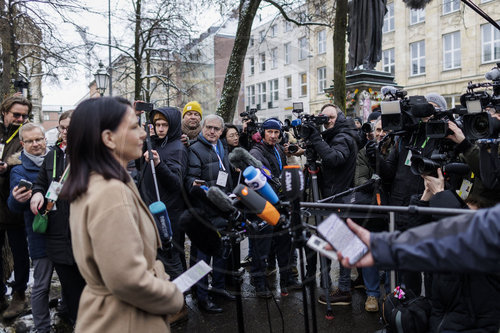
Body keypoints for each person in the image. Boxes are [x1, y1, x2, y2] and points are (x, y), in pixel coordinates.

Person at [59, 97, 184, 332]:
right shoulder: (110, 191)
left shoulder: (102, 180)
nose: (144, 134)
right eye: (134, 126)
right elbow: (127, 279)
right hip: (124, 320)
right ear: (108, 138)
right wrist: (173, 296)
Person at [30, 110, 86, 325]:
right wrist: (36, 192)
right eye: (62, 128)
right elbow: (41, 182)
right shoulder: (53, 154)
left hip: (82, 232)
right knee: (69, 288)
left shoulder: (89, 154)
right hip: (57, 233)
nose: (65, 132)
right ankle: (74, 321)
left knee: (86, 286)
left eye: (71, 128)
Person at [302, 104, 359, 305]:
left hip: (338, 199)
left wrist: (316, 138)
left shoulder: (342, 136)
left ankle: (343, 289)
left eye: (331, 117)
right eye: (324, 118)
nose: (328, 121)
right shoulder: (336, 134)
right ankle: (333, 284)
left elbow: (334, 159)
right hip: (332, 198)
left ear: (340, 117)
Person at [138, 106, 188, 325]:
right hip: (152, 211)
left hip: (170, 214)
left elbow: (176, 183)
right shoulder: (155, 143)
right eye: (157, 125)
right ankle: (166, 301)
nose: (160, 129)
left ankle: (180, 305)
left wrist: (158, 164)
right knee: (159, 259)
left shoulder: (177, 148)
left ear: (173, 126)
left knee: (172, 259)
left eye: (164, 125)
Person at [185, 114, 235, 313]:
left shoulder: (221, 146)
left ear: (221, 131)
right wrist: (208, 192)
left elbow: (226, 174)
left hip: (223, 208)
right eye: (209, 127)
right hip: (205, 211)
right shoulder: (195, 149)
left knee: (222, 252)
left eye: (216, 128)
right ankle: (202, 297)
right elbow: (192, 181)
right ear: (202, 128)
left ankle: (219, 288)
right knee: (203, 259)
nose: (212, 131)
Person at [249, 118, 300, 298]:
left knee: (284, 243)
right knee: (261, 247)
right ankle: (260, 284)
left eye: (276, 132)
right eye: (269, 132)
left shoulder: (278, 148)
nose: (273, 136)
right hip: (265, 204)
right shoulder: (256, 151)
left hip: (281, 203)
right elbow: (263, 175)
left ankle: (287, 280)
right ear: (263, 133)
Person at [8, 123, 52, 331]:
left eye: (39, 139)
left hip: (68, 234)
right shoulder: (19, 169)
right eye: (30, 141)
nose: (36, 144)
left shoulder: (59, 160)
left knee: (73, 281)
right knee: (41, 286)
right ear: (22, 143)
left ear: (45, 139)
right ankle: (42, 327)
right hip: (40, 236)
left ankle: (68, 314)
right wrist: (17, 199)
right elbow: (14, 204)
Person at [0, 94, 31, 318]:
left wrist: (7, 167)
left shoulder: (27, 135)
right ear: (4, 113)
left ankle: (19, 295)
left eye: (24, 115)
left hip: (15, 206)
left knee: (20, 253)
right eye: (16, 115)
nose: (21, 119)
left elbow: (31, 160)